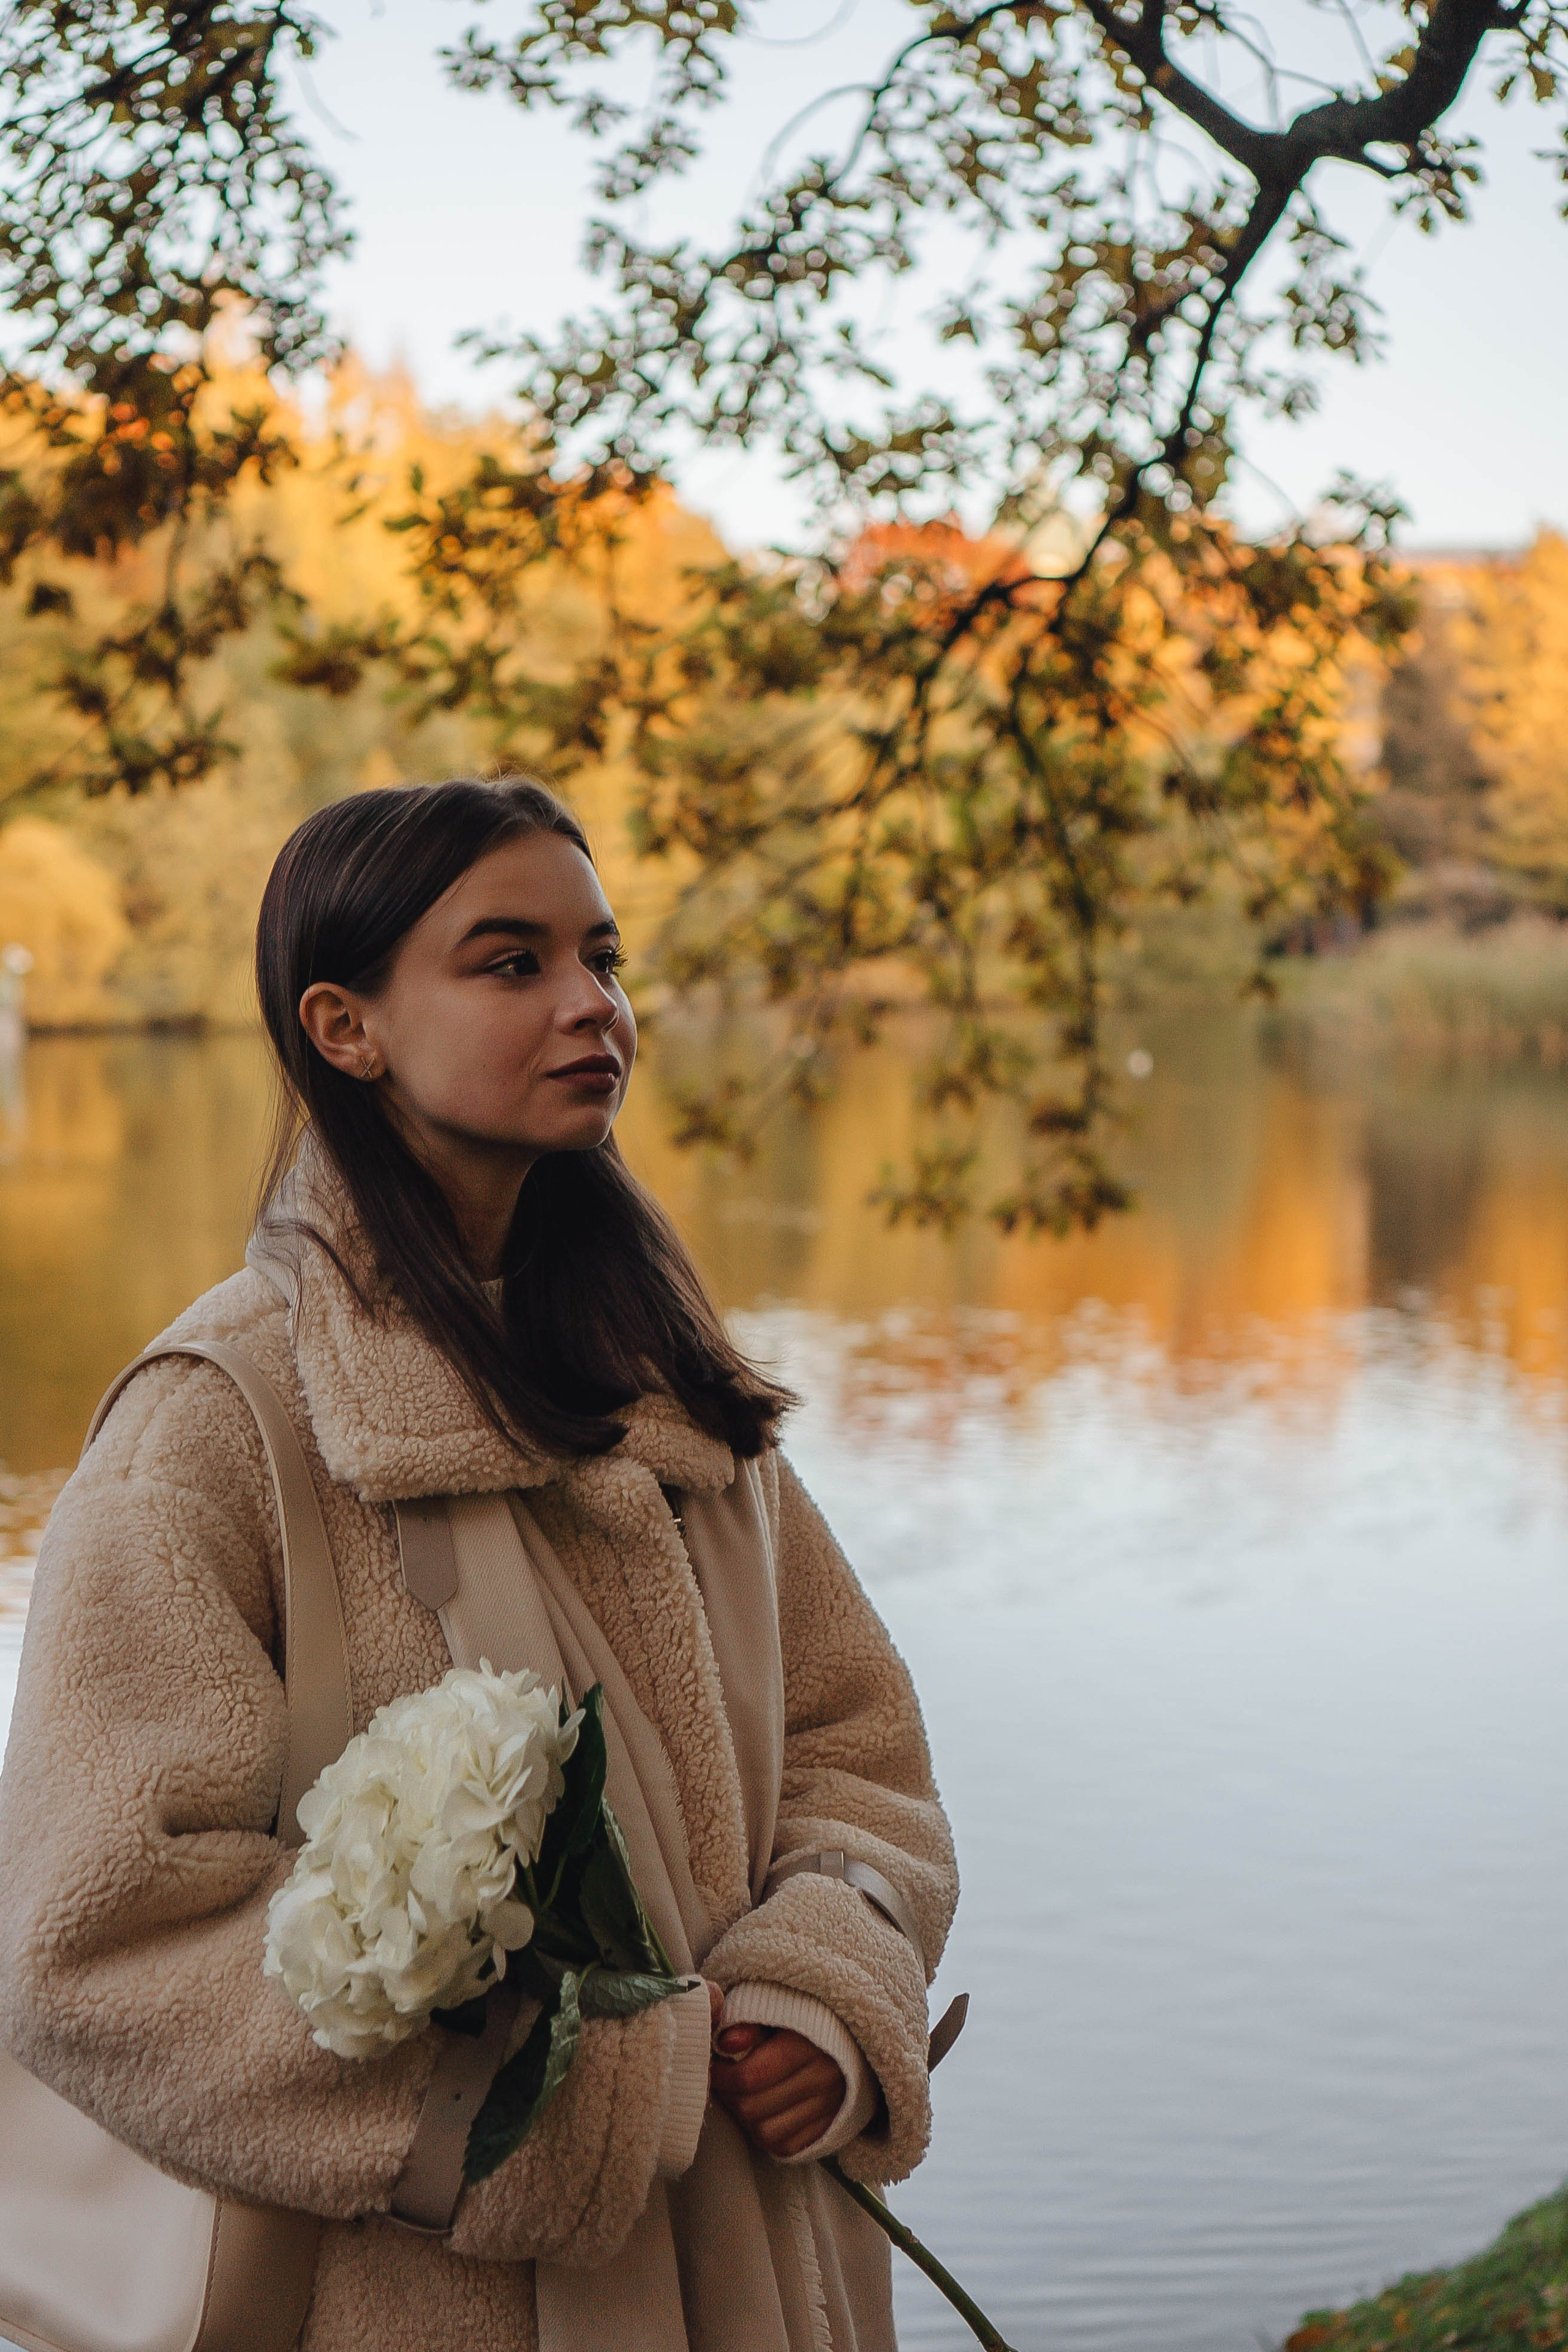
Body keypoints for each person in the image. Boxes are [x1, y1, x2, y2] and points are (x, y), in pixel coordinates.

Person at [0, 778, 958, 2352]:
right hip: (418, 2304)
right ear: (344, 1025)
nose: (592, 1006)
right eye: (510, 963)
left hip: (759, 2274)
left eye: (604, 956)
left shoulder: (667, 1383)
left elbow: (859, 1749)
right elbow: (95, 1943)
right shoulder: (219, 1421)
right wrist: (564, 2102)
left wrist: (820, 1987)